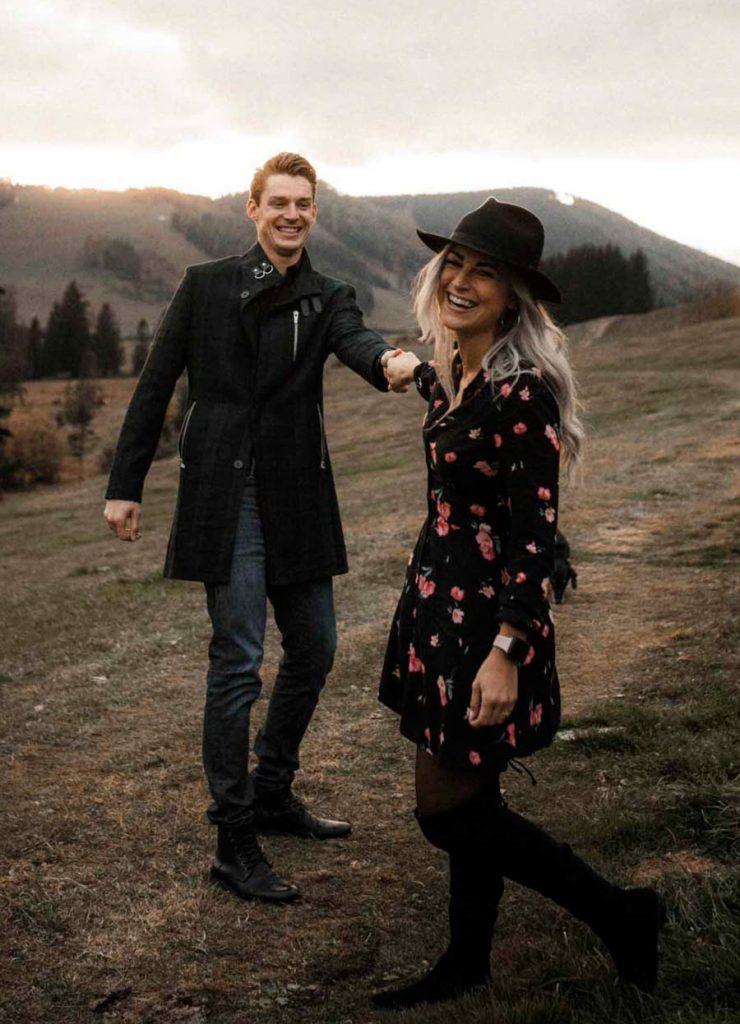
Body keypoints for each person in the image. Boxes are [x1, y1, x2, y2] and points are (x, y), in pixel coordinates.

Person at [375, 198, 667, 1008]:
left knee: (445, 811)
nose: (463, 282)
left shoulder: (521, 393)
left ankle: (622, 913)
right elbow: (426, 383)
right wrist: (401, 365)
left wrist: (507, 651)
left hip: (484, 625)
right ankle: (467, 960)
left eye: (487, 274)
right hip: (437, 608)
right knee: (474, 792)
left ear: (514, 297)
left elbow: (536, 539)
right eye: (456, 265)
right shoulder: (457, 376)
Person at [104, 152, 409, 904]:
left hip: (297, 496)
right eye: (278, 202)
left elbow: (359, 343)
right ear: (253, 208)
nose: (291, 215)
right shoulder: (206, 286)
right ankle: (233, 837)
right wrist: (124, 486)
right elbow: (155, 383)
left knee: (317, 647)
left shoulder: (327, 295)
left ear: (314, 212)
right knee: (238, 658)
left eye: (303, 204)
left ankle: (272, 790)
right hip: (225, 493)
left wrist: (392, 363)